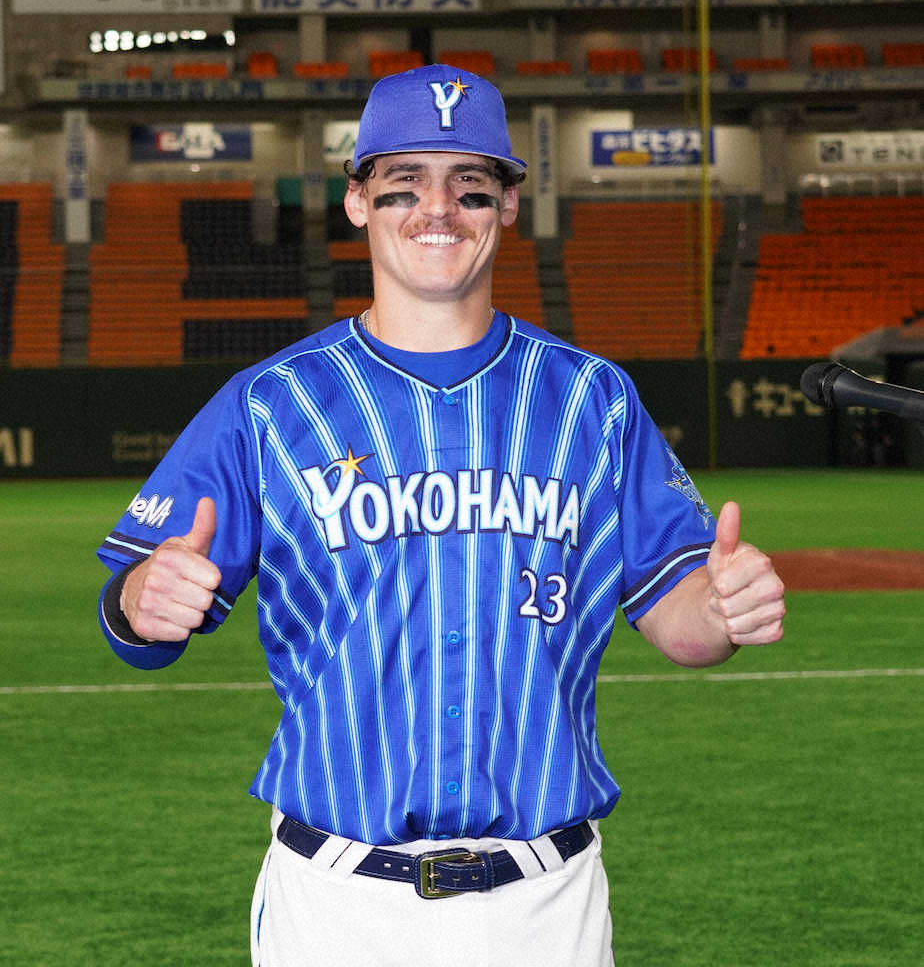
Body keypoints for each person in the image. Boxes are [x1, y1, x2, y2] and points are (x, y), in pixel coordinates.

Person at [97, 65, 786, 967]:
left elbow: (681, 625)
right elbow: (134, 627)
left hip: (544, 907)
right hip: (335, 905)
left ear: (507, 206)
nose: (438, 210)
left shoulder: (593, 400)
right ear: (357, 202)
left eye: (470, 186)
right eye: (404, 184)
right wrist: (141, 601)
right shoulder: (269, 403)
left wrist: (723, 609)